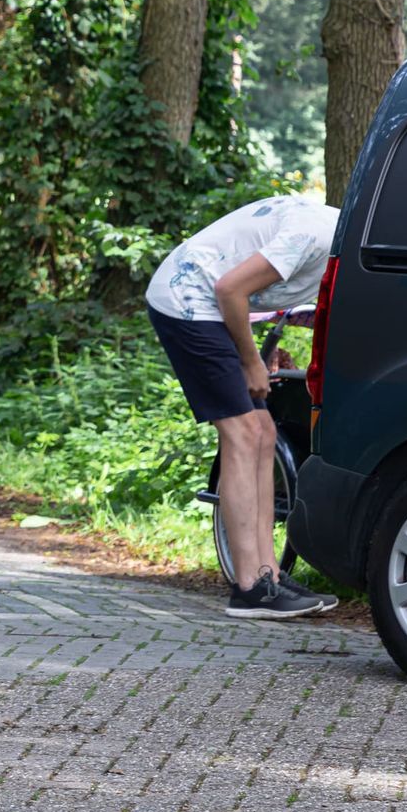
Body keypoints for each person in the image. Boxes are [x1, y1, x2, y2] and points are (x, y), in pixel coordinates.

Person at [145, 193, 343, 620]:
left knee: (265, 434)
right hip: (187, 299)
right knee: (242, 434)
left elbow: (266, 296)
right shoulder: (316, 236)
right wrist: (251, 362)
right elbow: (228, 287)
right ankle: (249, 587)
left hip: (215, 305)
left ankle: (267, 573)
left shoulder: (340, 240)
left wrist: (261, 350)